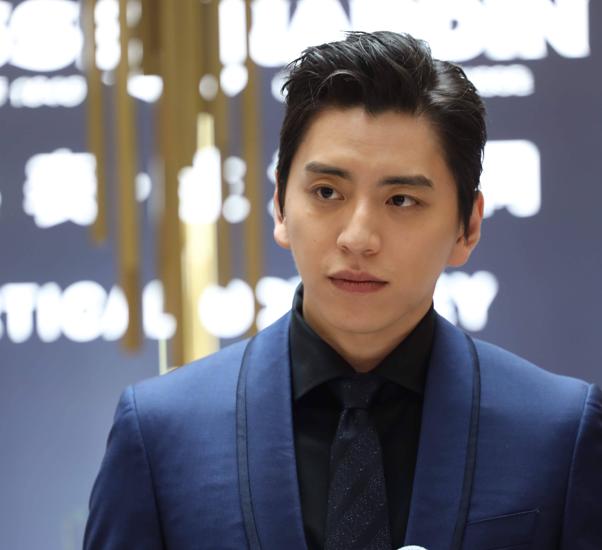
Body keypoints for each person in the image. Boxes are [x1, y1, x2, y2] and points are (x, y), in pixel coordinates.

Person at [84, 31, 602, 550]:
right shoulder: (161, 432)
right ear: (280, 207)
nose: (358, 238)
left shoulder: (556, 431)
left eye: (401, 200)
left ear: (467, 227)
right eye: (327, 192)